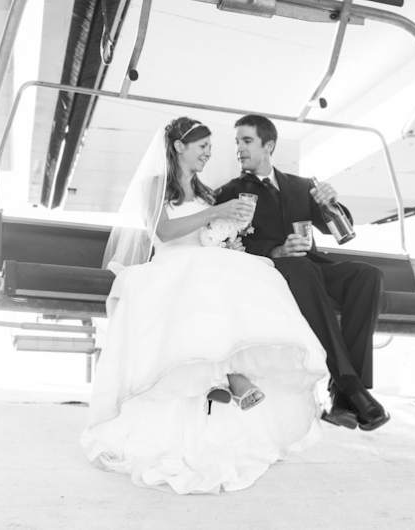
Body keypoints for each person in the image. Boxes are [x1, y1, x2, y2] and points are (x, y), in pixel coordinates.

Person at [80, 117, 329, 494]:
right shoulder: (154, 186)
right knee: (204, 281)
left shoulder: (206, 192)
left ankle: (228, 375)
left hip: (206, 263)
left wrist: (230, 228)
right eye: (203, 147)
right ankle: (230, 377)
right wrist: (215, 214)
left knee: (249, 274)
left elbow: (211, 236)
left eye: (211, 148)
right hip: (173, 262)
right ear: (179, 146)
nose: (209, 154)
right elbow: (162, 231)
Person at [215, 114, 390, 432]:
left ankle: (340, 399)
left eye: (246, 140)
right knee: (300, 266)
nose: (239, 148)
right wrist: (275, 252)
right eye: (237, 142)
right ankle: (350, 386)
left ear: (268, 145)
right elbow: (227, 246)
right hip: (268, 273)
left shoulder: (302, 186)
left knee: (368, 276)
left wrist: (332, 204)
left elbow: (343, 231)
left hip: (309, 268)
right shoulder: (229, 192)